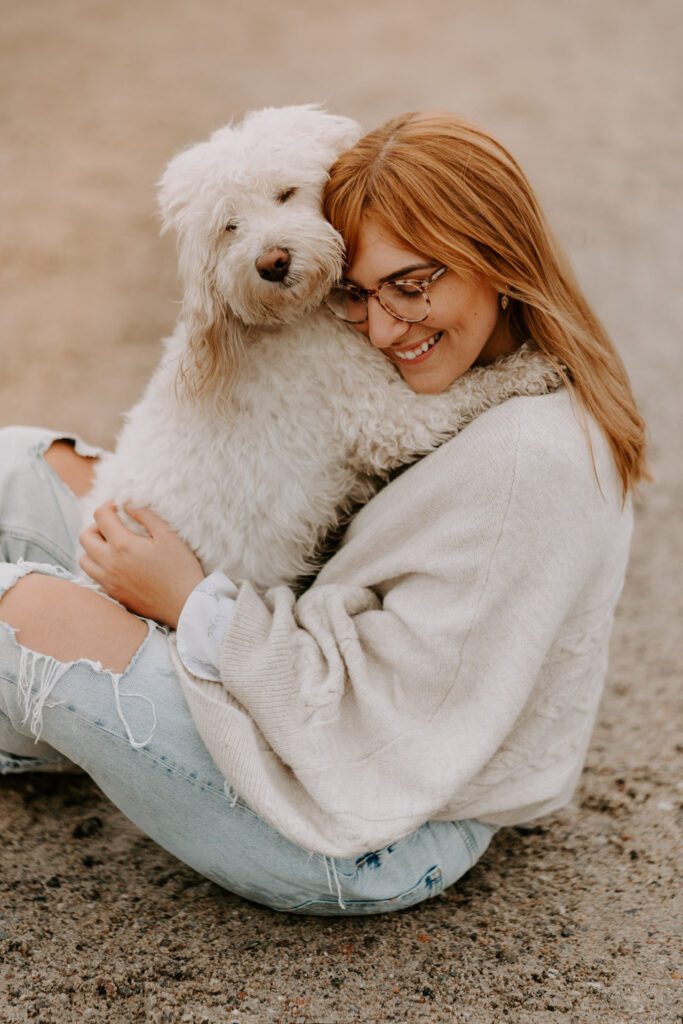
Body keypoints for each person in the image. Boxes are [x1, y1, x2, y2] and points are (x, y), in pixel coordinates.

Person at [0, 112, 647, 915]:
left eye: (412, 285)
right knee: (15, 463)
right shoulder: (465, 367)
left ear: (497, 256)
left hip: (374, 826)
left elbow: (382, 728)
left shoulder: (528, 465)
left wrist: (190, 603)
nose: (382, 326)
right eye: (357, 294)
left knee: (20, 607)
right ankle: (50, 725)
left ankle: (48, 714)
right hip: (301, 655)